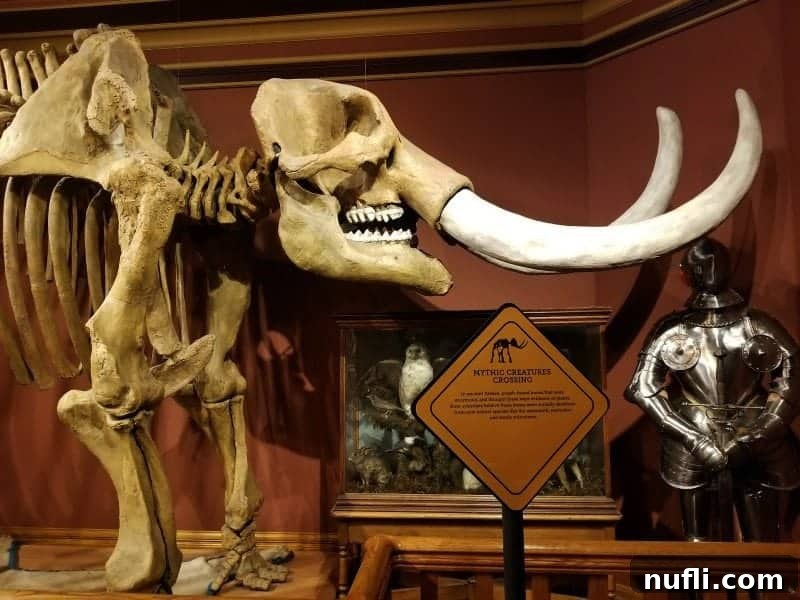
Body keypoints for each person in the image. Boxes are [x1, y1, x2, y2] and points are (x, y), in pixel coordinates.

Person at [625, 238, 800, 541]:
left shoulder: (672, 329)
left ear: (686, 275)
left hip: (699, 436)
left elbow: (642, 388)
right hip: (743, 438)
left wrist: (699, 440)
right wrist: (752, 436)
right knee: (753, 545)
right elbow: (641, 388)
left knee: (723, 547)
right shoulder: (758, 325)